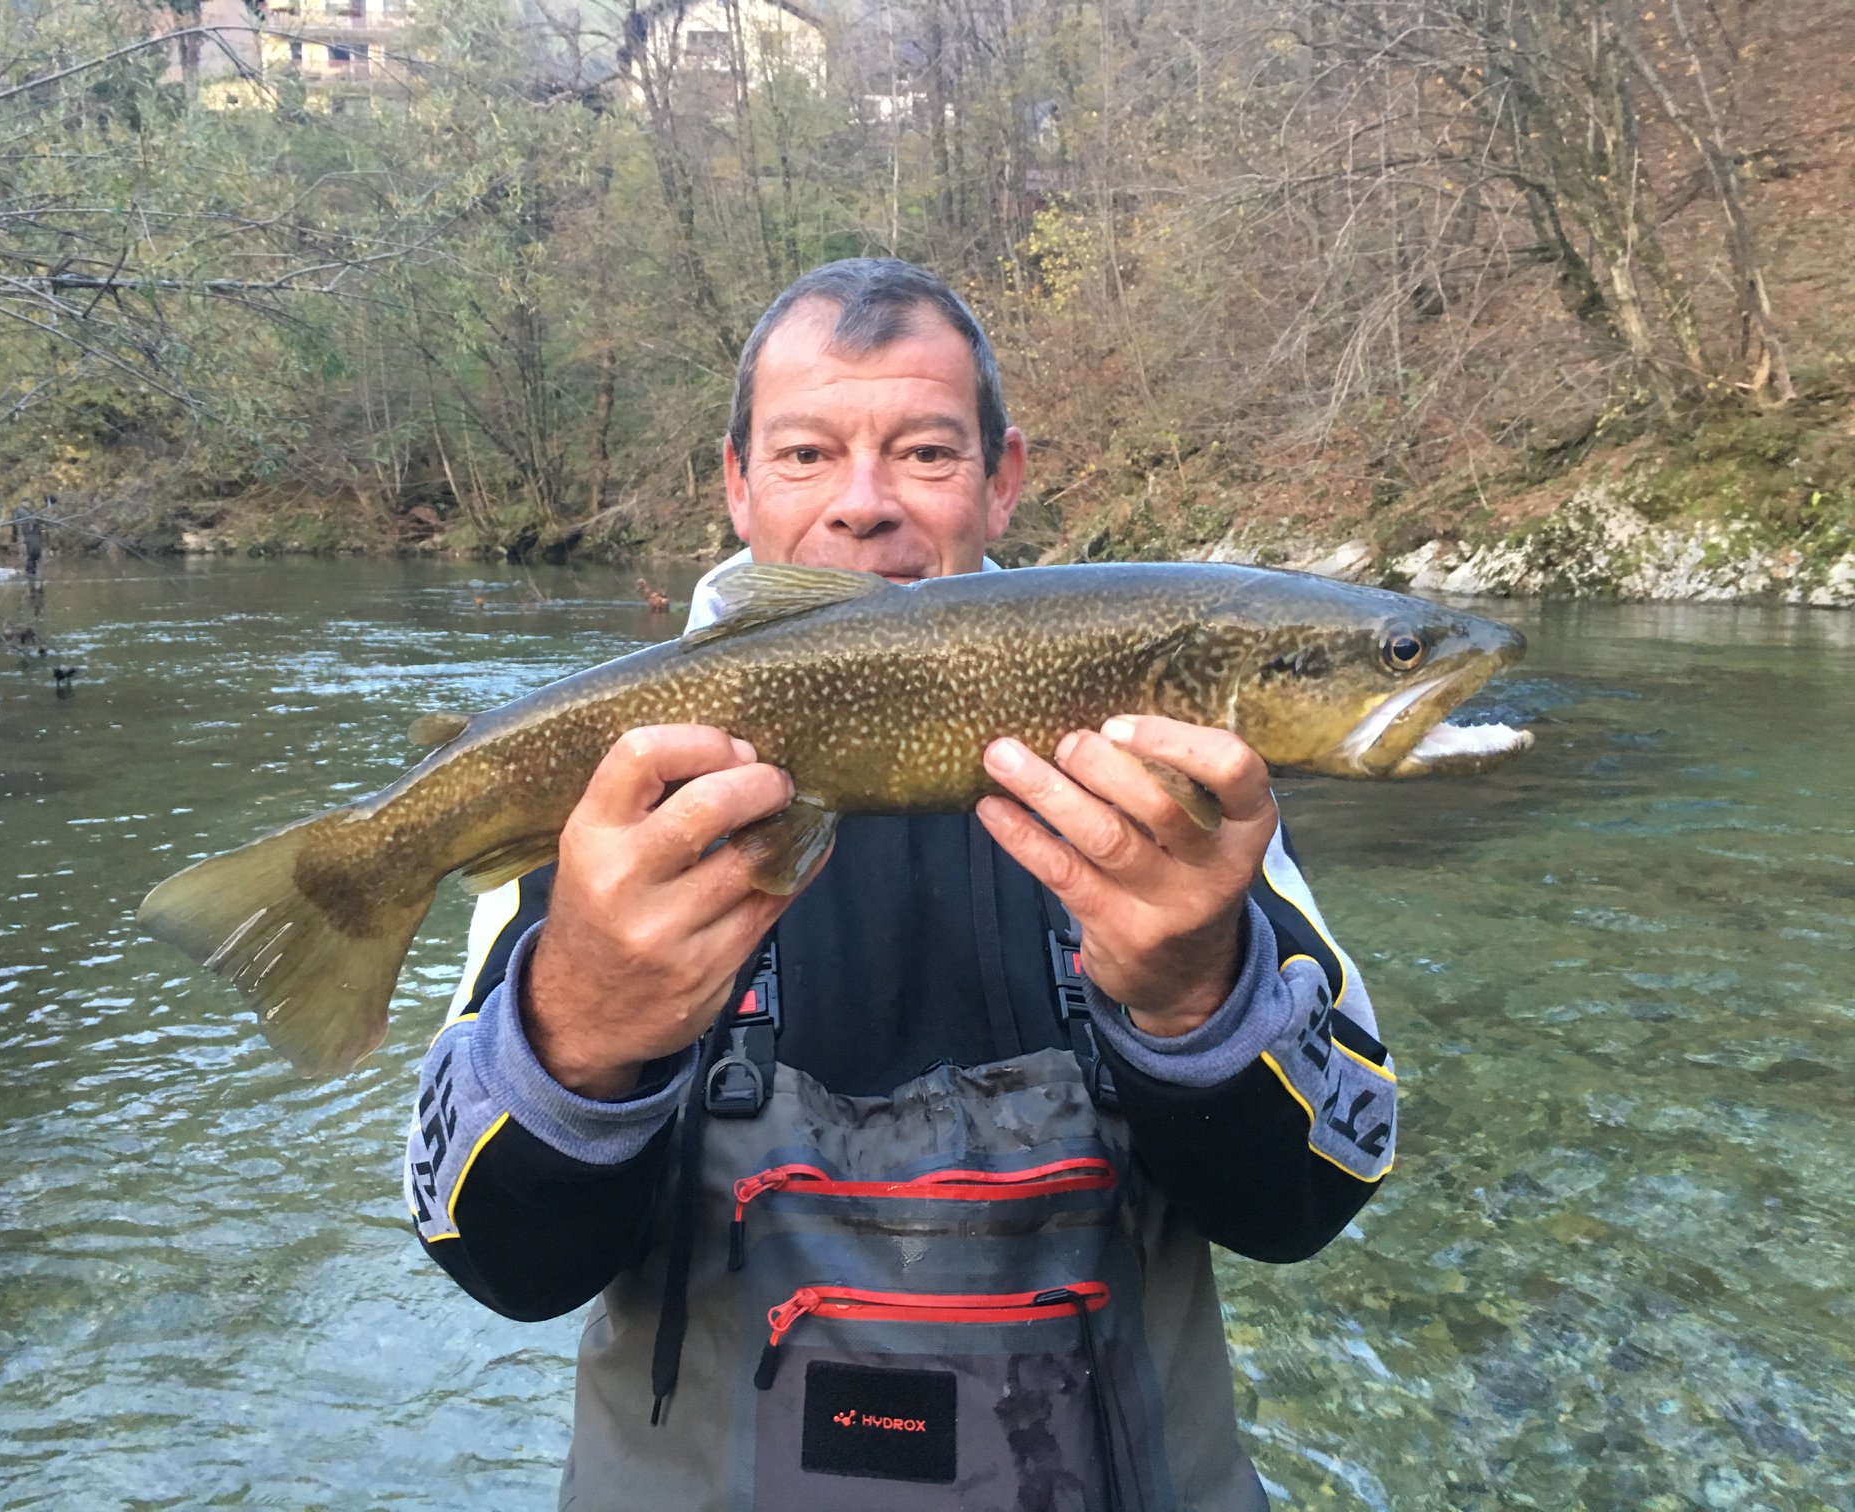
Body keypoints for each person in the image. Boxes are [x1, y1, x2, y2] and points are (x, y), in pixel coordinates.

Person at [404, 260, 1397, 1511]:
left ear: (1004, 477)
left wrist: (1202, 996)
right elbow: (498, 1259)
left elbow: (1307, 1201)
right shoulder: (614, 792)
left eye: (925, 453)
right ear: (737, 482)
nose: (863, 506)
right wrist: (582, 1034)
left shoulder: (1173, 789)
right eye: (808, 454)